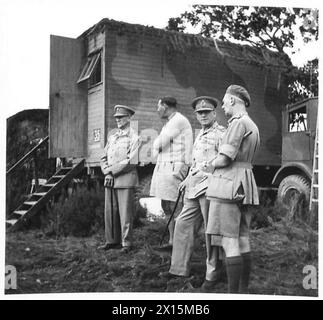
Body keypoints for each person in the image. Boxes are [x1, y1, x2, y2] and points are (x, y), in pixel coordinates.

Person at [160, 96, 226, 292]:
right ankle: (178, 269)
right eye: (200, 113)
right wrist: (187, 179)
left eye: (206, 112)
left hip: (210, 188)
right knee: (182, 224)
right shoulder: (199, 135)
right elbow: (196, 163)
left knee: (210, 232)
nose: (203, 115)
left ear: (214, 113)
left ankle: (213, 274)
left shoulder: (222, 134)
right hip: (194, 189)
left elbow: (224, 161)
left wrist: (202, 175)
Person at [203, 85, 260, 293]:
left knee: (229, 241)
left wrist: (209, 163)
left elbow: (225, 158)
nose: (223, 106)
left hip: (228, 185)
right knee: (243, 239)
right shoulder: (252, 124)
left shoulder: (237, 124)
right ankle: (243, 290)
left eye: (225, 102)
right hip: (245, 184)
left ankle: (233, 295)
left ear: (234, 101)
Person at [150, 97, 193, 249]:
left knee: (176, 207)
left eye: (158, 106)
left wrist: (158, 144)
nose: (157, 109)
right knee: (166, 206)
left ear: (166, 106)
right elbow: (156, 149)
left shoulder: (178, 121)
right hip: (166, 168)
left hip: (174, 169)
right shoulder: (171, 121)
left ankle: (181, 244)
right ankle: (172, 241)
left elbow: (158, 144)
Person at [98, 105, 140, 253]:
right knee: (110, 212)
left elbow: (131, 161)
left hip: (125, 180)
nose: (118, 120)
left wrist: (111, 171)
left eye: (121, 117)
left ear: (129, 118)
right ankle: (111, 241)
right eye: (116, 118)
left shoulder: (134, 137)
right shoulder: (113, 137)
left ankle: (126, 243)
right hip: (110, 179)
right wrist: (107, 173)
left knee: (125, 213)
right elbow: (103, 157)